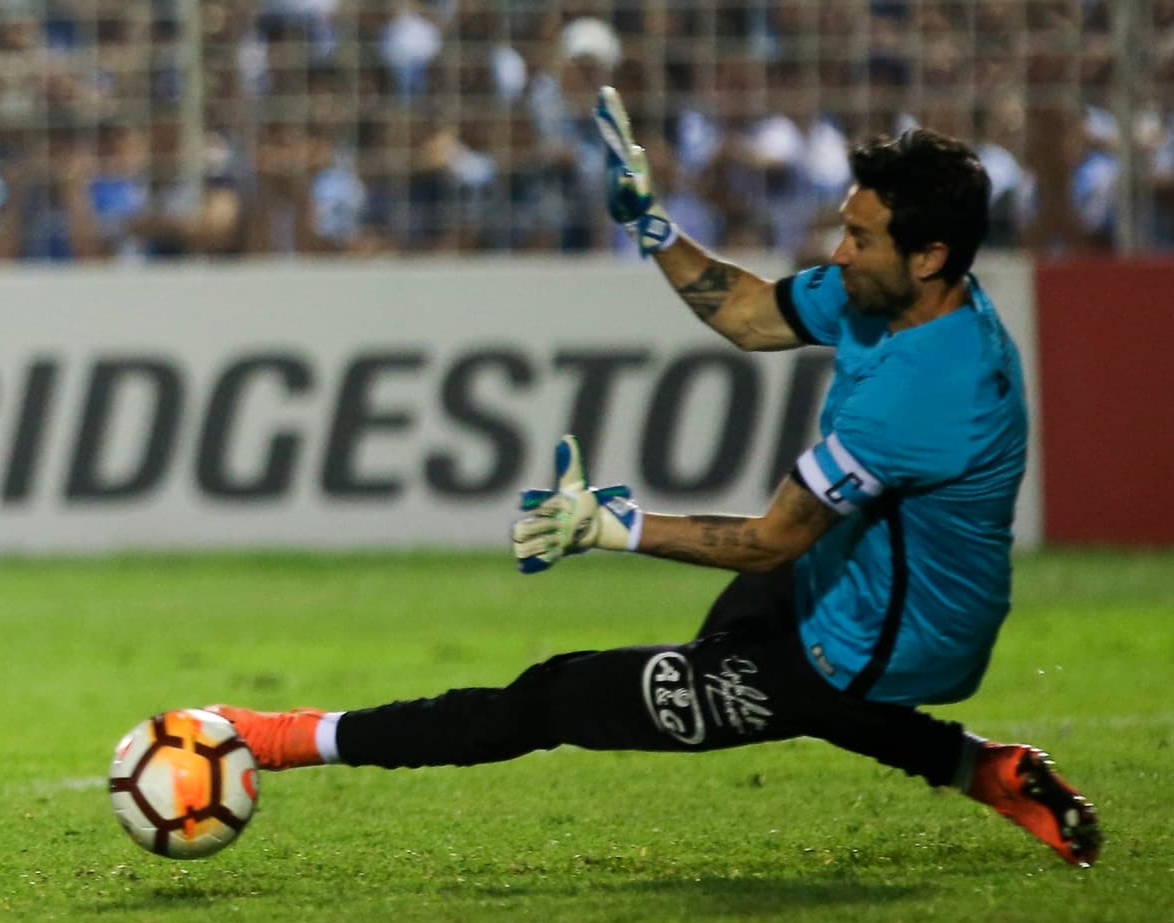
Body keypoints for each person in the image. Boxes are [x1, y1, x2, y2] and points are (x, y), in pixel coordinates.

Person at [210, 87, 1101, 869]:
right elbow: (751, 316)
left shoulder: (927, 391)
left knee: (558, 696)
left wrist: (614, 526)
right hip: (849, 576)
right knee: (732, 668)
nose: (838, 252)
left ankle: (284, 740)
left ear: (930, 255)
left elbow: (769, 542)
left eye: (859, 236)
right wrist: (653, 225)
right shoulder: (891, 296)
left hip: (888, 642)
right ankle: (989, 770)